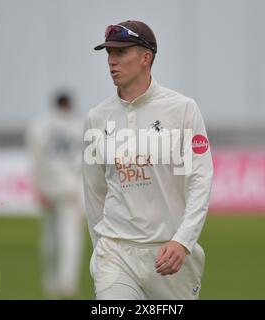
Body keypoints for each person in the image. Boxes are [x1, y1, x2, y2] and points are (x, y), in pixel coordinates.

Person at [82, 20, 214, 300]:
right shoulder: (97, 117)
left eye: (120, 53)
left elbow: (200, 180)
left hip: (170, 256)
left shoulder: (182, 110)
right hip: (116, 253)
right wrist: (99, 252)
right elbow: (94, 193)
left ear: (146, 57)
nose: (111, 61)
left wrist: (183, 240)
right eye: (109, 54)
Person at [26, 93, 84, 299]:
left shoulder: (39, 125)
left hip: (48, 187)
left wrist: (38, 188)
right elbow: (83, 162)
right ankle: (67, 284)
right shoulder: (80, 125)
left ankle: (50, 281)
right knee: (70, 238)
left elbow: (34, 160)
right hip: (70, 189)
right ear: (69, 104)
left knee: (49, 237)